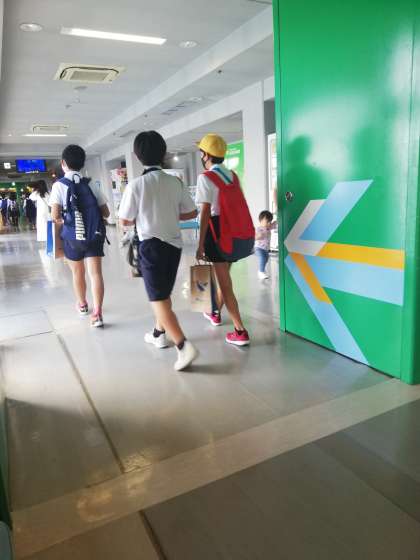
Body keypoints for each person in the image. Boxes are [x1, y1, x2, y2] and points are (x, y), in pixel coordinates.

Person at [119, 131, 199, 371]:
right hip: (174, 246)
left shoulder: (136, 185)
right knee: (163, 293)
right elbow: (191, 212)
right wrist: (170, 214)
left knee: (157, 298)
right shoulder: (175, 182)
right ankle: (158, 333)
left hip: (150, 246)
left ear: (137, 156)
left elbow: (124, 220)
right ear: (163, 153)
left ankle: (183, 345)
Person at [195, 134, 250, 346]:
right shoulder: (232, 176)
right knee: (224, 276)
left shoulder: (205, 178)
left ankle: (240, 331)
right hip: (233, 232)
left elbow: (205, 213)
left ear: (206, 155)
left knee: (225, 285)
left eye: (202, 152)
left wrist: (200, 244)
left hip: (217, 232)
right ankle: (215, 313)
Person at [50, 145, 110, 327]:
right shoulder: (90, 183)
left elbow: (55, 216)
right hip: (94, 235)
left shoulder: (59, 185)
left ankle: (83, 305)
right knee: (96, 273)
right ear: (83, 163)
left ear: (63, 163)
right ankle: (97, 314)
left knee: (78, 272)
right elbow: (106, 213)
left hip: (72, 237)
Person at [255, 210, 277, 280]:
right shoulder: (258, 229)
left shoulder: (268, 227)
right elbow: (254, 237)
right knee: (263, 258)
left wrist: (277, 216)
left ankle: (262, 269)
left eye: (270, 221)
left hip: (266, 249)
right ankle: (260, 272)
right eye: (267, 221)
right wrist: (259, 236)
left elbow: (275, 224)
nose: (269, 223)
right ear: (261, 220)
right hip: (258, 248)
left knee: (266, 258)